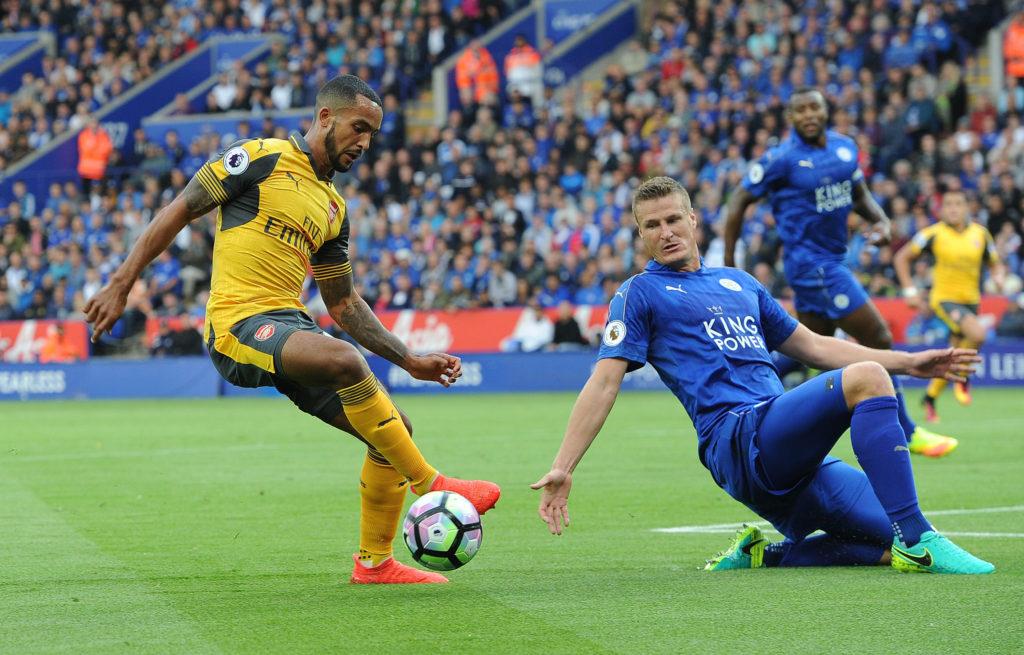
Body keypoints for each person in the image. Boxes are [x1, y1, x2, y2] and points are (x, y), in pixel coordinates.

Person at [84, 75, 500, 585]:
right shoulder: (258, 157)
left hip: (287, 327)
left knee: (393, 433)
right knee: (346, 362)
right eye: (358, 128)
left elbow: (343, 303)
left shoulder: (334, 210)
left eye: (372, 135)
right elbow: (178, 210)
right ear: (325, 117)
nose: (365, 143)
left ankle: (374, 563)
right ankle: (433, 483)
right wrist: (121, 284)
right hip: (237, 325)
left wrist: (409, 359)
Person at [532, 177, 994, 575]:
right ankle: (920, 543)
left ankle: (764, 555)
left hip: (790, 451)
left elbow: (812, 346)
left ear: (693, 220)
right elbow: (604, 381)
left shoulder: (741, 282)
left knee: (883, 543)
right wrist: (563, 466)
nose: (666, 232)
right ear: (640, 234)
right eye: (652, 225)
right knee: (868, 379)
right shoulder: (638, 294)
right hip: (737, 439)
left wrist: (909, 362)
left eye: (673, 219)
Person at [723, 87, 957, 458]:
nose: (809, 115)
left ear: (825, 109)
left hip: (835, 260)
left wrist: (881, 224)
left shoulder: (845, 148)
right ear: (791, 118)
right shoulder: (779, 160)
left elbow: (861, 197)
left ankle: (739, 388)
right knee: (878, 336)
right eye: (800, 110)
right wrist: (732, 265)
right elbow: (737, 203)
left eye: (814, 106)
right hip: (813, 266)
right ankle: (907, 431)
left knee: (809, 350)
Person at [893, 189, 1003, 422]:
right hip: (944, 299)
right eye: (949, 204)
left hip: (971, 301)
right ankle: (963, 378)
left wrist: (999, 277)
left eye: (959, 203)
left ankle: (930, 398)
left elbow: (994, 263)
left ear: (967, 208)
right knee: (977, 334)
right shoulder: (932, 234)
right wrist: (910, 291)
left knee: (952, 356)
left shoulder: (981, 235)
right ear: (942, 210)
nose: (953, 208)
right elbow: (901, 257)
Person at [77, 117, 113, 196]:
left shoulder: (103, 134)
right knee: (86, 194)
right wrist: (97, 148)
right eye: (91, 122)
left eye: (95, 122)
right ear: (88, 124)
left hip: (100, 169)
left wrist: (94, 149)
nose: (93, 125)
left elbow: (107, 148)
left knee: (103, 192)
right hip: (86, 170)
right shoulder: (83, 135)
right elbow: (85, 149)